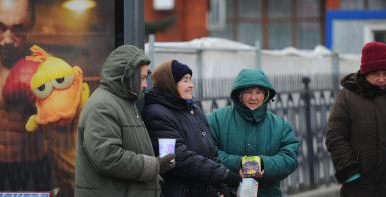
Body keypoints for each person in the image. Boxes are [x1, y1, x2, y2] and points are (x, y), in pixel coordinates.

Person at [325, 41, 386, 197]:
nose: (381, 79)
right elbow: (335, 135)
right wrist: (349, 170)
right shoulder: (347, 96)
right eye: (375, 74)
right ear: (365, 73)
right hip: (361, 188)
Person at [75, 45, 175, 197]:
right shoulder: (102, 106)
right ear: (127, 76)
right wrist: (154, 165)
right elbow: (108, 157)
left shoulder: (124, 102)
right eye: (141, 78)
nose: (145, 85)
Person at [143, 59, 242, 197]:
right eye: (185, 80)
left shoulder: (193, 109)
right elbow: (178, 158)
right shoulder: (157, 113)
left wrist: (224, 182)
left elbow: (211, 152)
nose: (191, 85)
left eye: (190, 80)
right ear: (169, 83)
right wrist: (223, 175)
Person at [207, 68, 300, 197]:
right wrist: (239, 164)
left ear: (266, 95)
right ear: (239, 94)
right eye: (248, 92)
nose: (253, 98)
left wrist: (263, 164)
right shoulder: (216, 119)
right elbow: (207, 152)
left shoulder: (279, 125)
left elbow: (290, 157)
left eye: (259, 92)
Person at [0, 0, 51, 191]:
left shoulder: (48, 69)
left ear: (31, 25)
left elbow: (68, 129)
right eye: (0, 27)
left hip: (33, 167)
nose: (7, 40)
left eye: (18, 29)